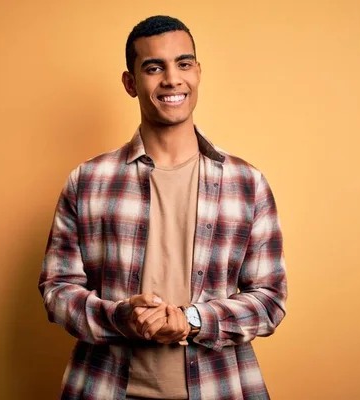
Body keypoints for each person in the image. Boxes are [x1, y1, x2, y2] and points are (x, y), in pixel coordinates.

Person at [39, 15, 287, 400]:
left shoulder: (247, 183)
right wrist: (122, 318)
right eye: (154, 68)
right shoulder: (87, 181)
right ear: (130, 83)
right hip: (104, 387)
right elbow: (58, 289)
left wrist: (192, 320)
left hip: (220, 387)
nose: (172, 79)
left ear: (198, 73)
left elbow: (270, 299)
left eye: (183, 64)